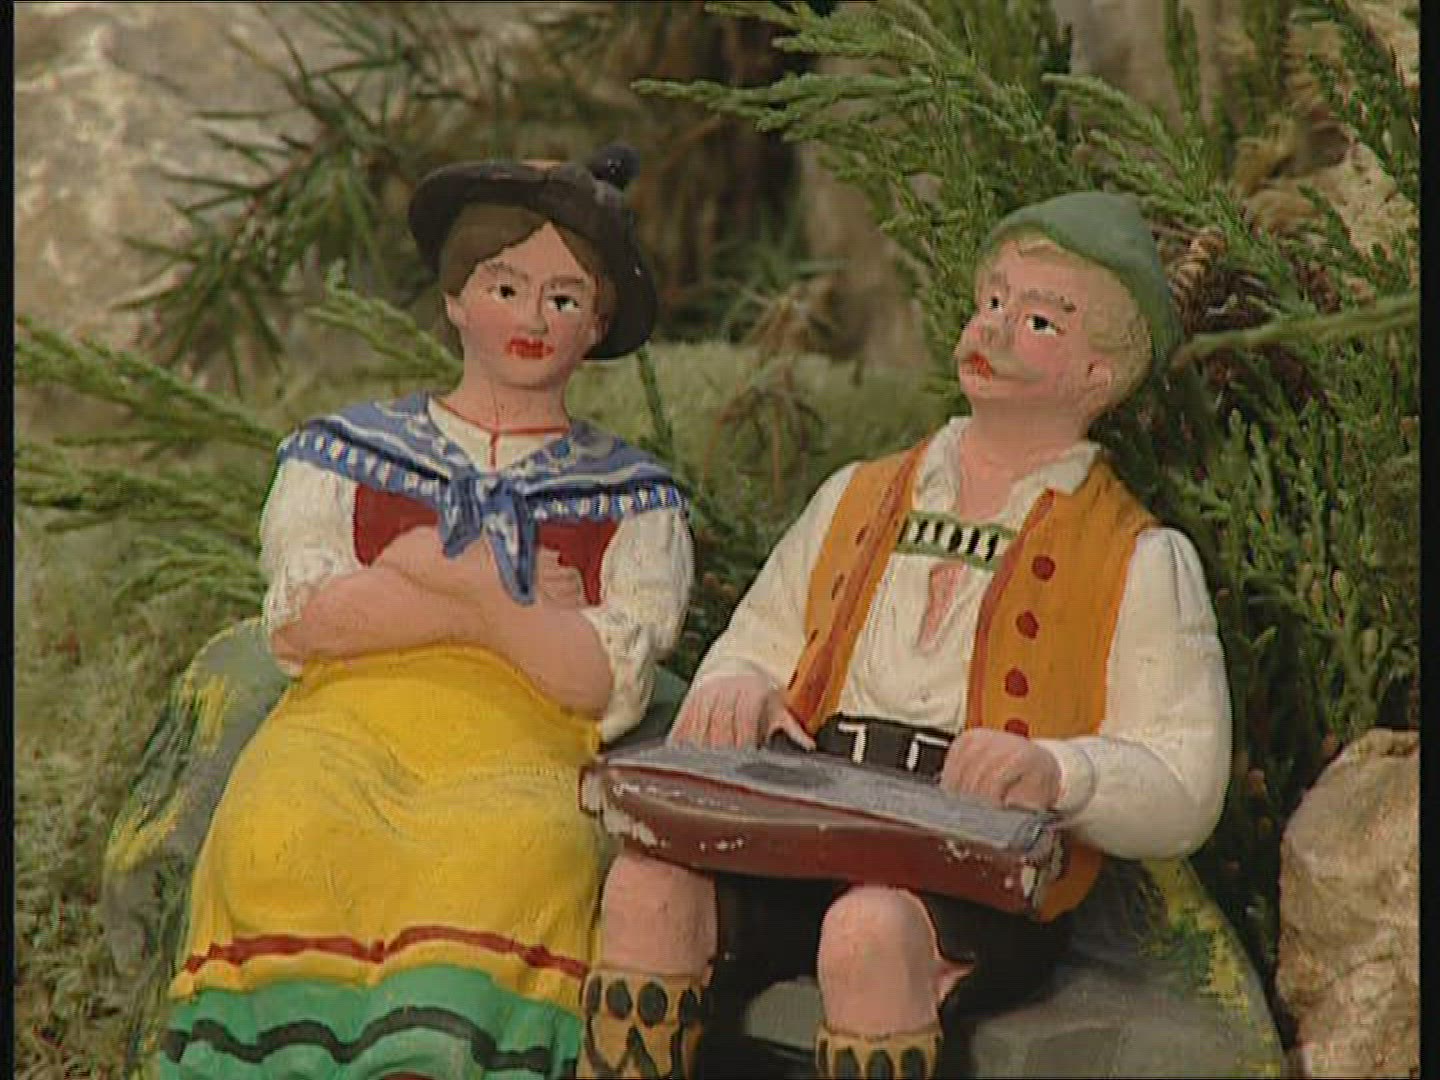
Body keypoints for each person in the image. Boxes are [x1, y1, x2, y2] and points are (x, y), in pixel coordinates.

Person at [579, 191, 1231, 1080]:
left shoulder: (1137, 557)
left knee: (870, 932)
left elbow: (1185, 778)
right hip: (805, 814)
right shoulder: (859, 493)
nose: (992, 329)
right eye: (992, 301)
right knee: (647, 889)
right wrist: (737, 683)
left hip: (970, 867)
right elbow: (760, 635)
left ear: (1100, 375)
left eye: (1038, 320)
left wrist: (1058, 772)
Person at [159, 146, 694, 1079]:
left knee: (517, 858)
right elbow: (310, 623)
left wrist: (429, 580)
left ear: (597, 324)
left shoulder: (635, 501)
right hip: (340, 727)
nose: (533, 318)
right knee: (279, 832)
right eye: (506, 286)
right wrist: (507, 606)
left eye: (565, 298)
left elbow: (594, 678)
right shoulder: (342, 453)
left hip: (523, 749)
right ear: (455, 299)